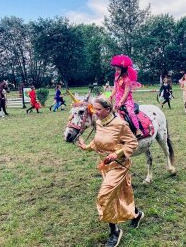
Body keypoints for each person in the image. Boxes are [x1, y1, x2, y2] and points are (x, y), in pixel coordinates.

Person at [77, 96, 144, 247]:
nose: (96, 112)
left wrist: (117, 153)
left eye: (99, 109)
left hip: (119, 166)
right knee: (121, 194)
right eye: (94, 109)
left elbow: (132, 143)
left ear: (108, 109)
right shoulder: (99, 123)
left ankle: (115, 231)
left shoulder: (120, 124)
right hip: (105, 166)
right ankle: (137, 214)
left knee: (105, 196)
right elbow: (98, 141)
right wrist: (86, 147)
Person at [109, 55, 142, 138]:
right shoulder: (116, 77)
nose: (116, 70)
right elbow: (115, 88)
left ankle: (137, 129)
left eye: (118, 69)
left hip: (127, 100)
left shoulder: (127, 80)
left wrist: (121, 102)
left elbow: (126, 93)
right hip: (117, 100)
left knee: (131, 113)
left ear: (123, 69)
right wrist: (110, 96)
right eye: (116, 68)